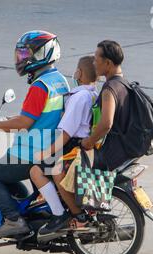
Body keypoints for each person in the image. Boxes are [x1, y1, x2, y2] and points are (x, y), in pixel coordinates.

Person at [0, 30, 70, 238]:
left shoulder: (39, 86)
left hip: (31, 152)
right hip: (52, 146)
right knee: (3, 173)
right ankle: (23, 211)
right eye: (20, 55)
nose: (21, 59)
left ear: (41, 54)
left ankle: (13, 220)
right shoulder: (59, 80)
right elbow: (39, 114)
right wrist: (9, 120)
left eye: (25, 54)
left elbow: (24, 122)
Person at [45, 39, 132, 234]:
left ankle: (77, 217)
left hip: (85, 146)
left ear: (107, 63)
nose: (94, 63)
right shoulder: (119, 85)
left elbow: (105, 123)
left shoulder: (107, 90)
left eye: (97, 59)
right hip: (107, 146)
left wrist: (88, 142)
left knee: (54, 170)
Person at [29, 55, 99, 235]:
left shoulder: (79, 97)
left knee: (36, 171)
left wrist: (46, 152)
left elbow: (66, 132)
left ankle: (66, 215)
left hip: (72, 147)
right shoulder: (93, 93)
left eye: (77, 69)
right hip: (84, 146)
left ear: (79, 72)